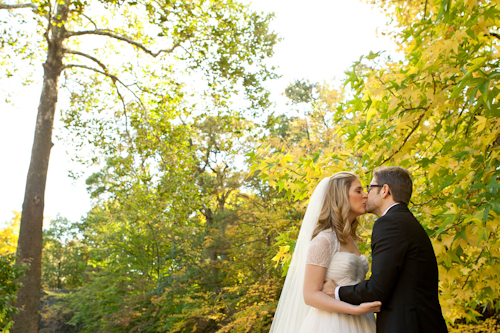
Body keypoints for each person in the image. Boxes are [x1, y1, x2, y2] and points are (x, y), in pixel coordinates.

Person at [323, 167, 448, 332]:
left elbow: (377, 289)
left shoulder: (390, 224)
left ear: (384, 190)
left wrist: (336, 292)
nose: (366, 194)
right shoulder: (406, 222)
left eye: (369, 188)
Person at [270, 172, 381, 333]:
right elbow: (310, 295)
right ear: (340, 196)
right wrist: (356, 310)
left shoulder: (351, 239)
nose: (366, 195)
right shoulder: (324, 240)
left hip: (363, 322)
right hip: (332, 324)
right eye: (358, 191)